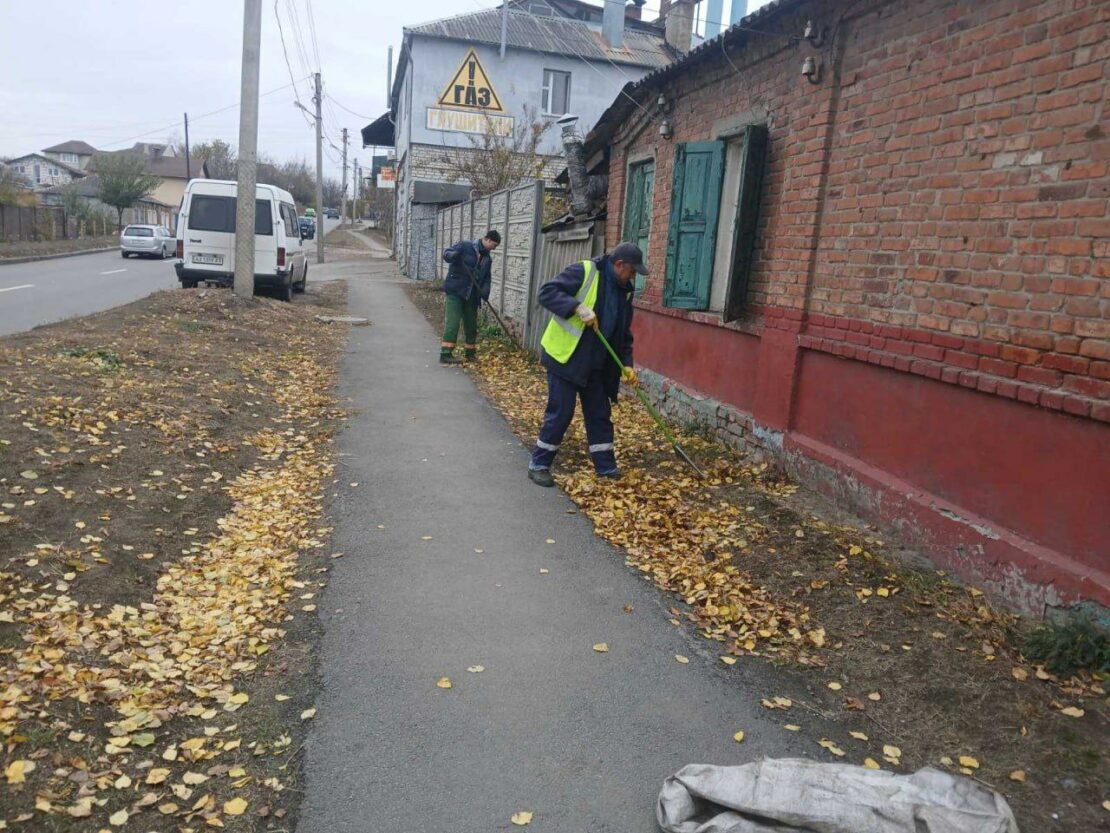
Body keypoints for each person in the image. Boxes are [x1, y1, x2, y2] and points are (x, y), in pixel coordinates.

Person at [527, 242, 647, 486]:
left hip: (597, 366)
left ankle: (606, 467)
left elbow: (623, 334)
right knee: (561, 413)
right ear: (619, 265)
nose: (634, 276)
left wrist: (627, 364)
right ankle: (539, 464)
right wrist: (577, 307)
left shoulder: (624, 292)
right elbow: (547, 292)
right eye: (632, 270)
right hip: (567, 359)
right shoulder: (585, 271)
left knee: (600, 415)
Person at [440, 229, 501, 364]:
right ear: (488, 240)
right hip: (456, 291)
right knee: (453, 322)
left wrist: (485, 292)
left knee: (471, 325)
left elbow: (487, 278)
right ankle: (445, 353)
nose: (494, 248)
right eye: (494, 245)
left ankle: (470, 354)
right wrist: (452, 255)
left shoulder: (487, 259)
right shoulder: (465, 246)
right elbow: (446, 253)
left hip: (472, 295)